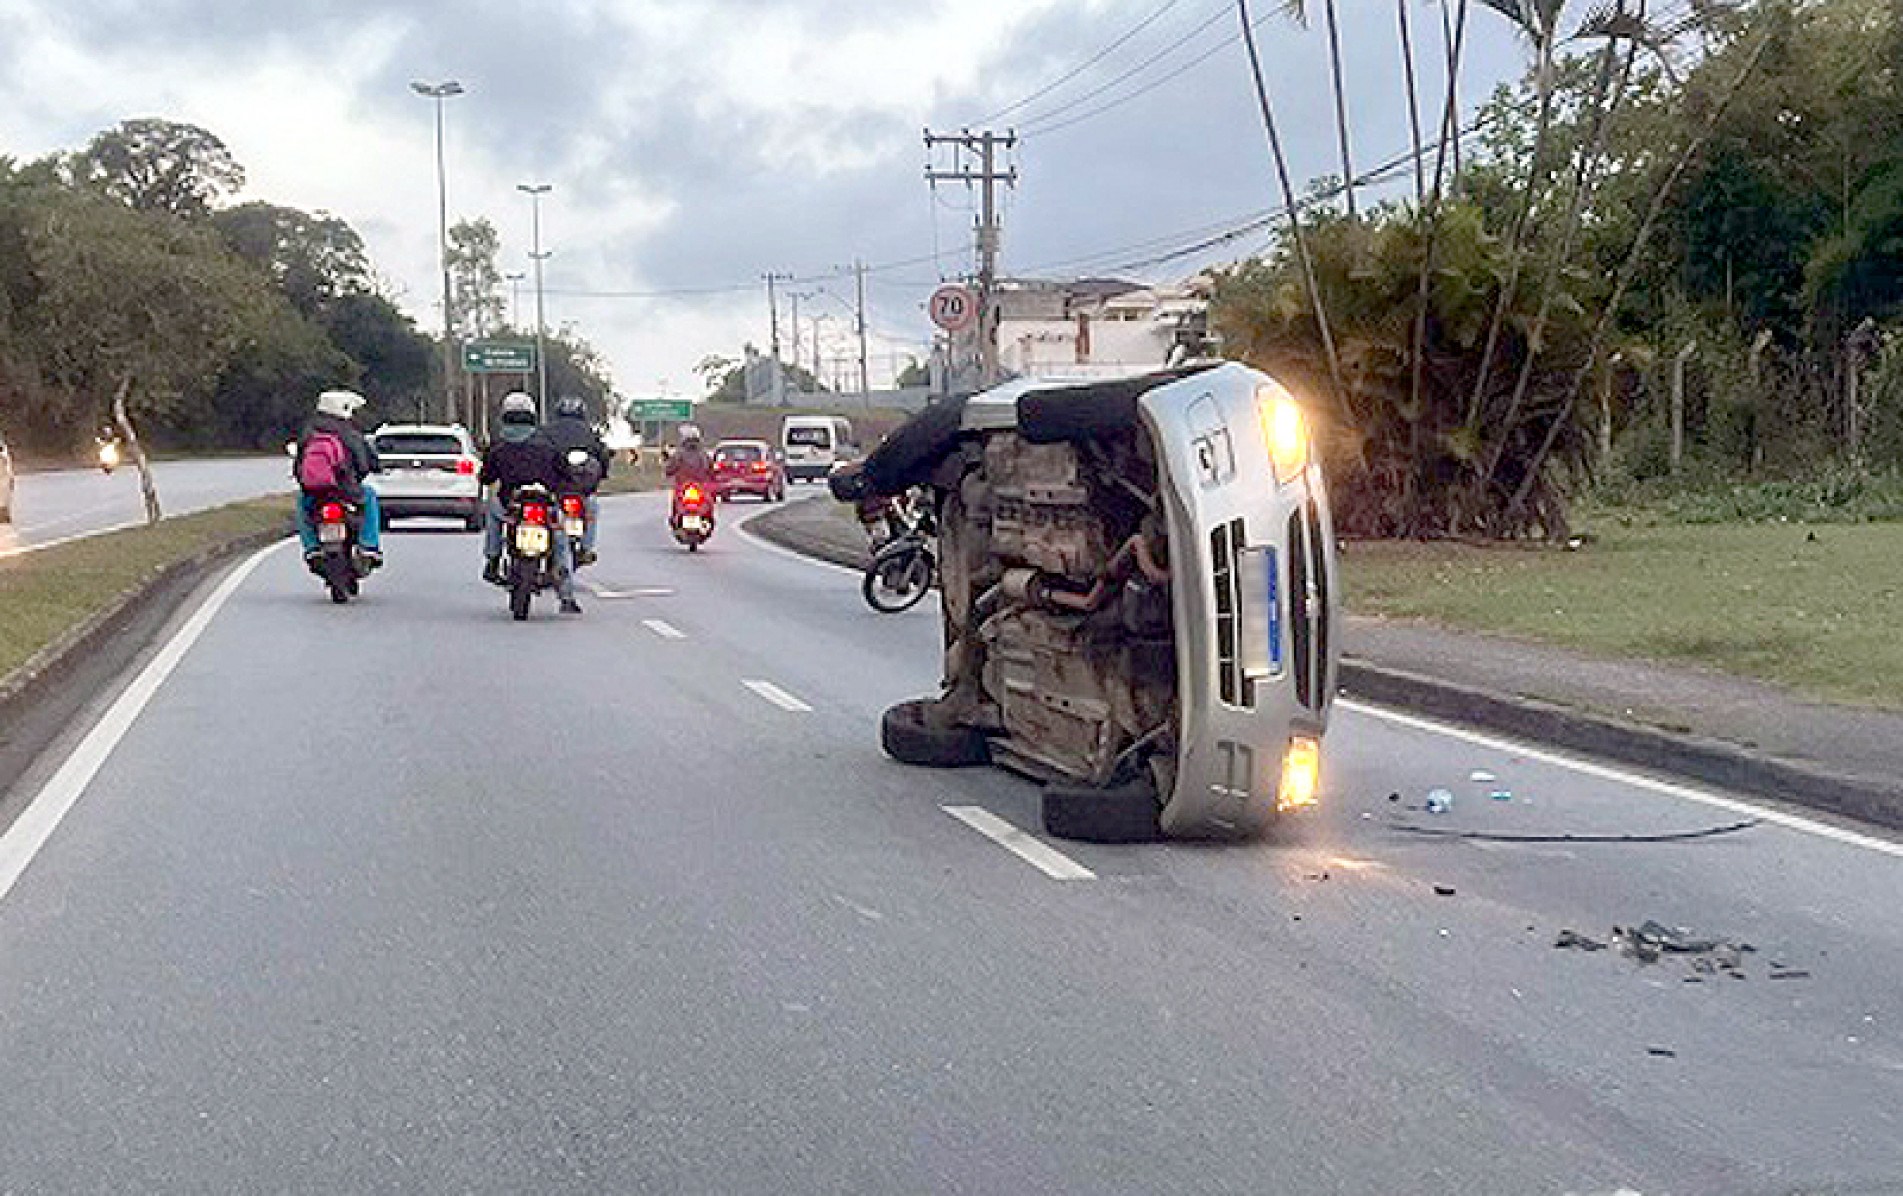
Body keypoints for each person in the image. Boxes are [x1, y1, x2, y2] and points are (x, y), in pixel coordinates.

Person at [480, 392, 581, 615]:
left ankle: (493, 558)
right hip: (545, 503)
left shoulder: (498, 446)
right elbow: (566, 473)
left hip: (511, 504)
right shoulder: (547, 444)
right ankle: (566, 594)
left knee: (493, 513)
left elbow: (486, 477)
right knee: (561, 538)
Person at [293, 389, 382, 566]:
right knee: (370, 497)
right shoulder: (350, 434)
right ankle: (369, 545)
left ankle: (311, 548)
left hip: (315, 492)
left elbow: (299, 465)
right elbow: (365, 464)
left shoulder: (309, 433)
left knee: (302, 506)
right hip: (347, 491)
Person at [541, 394, 612, 565]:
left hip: (557, 487)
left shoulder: (547, 431)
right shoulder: (589, 433)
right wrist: (602, 474)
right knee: (592, 507)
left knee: (550, 512)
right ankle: (587, 548)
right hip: (581, 489)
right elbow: (602, 455)